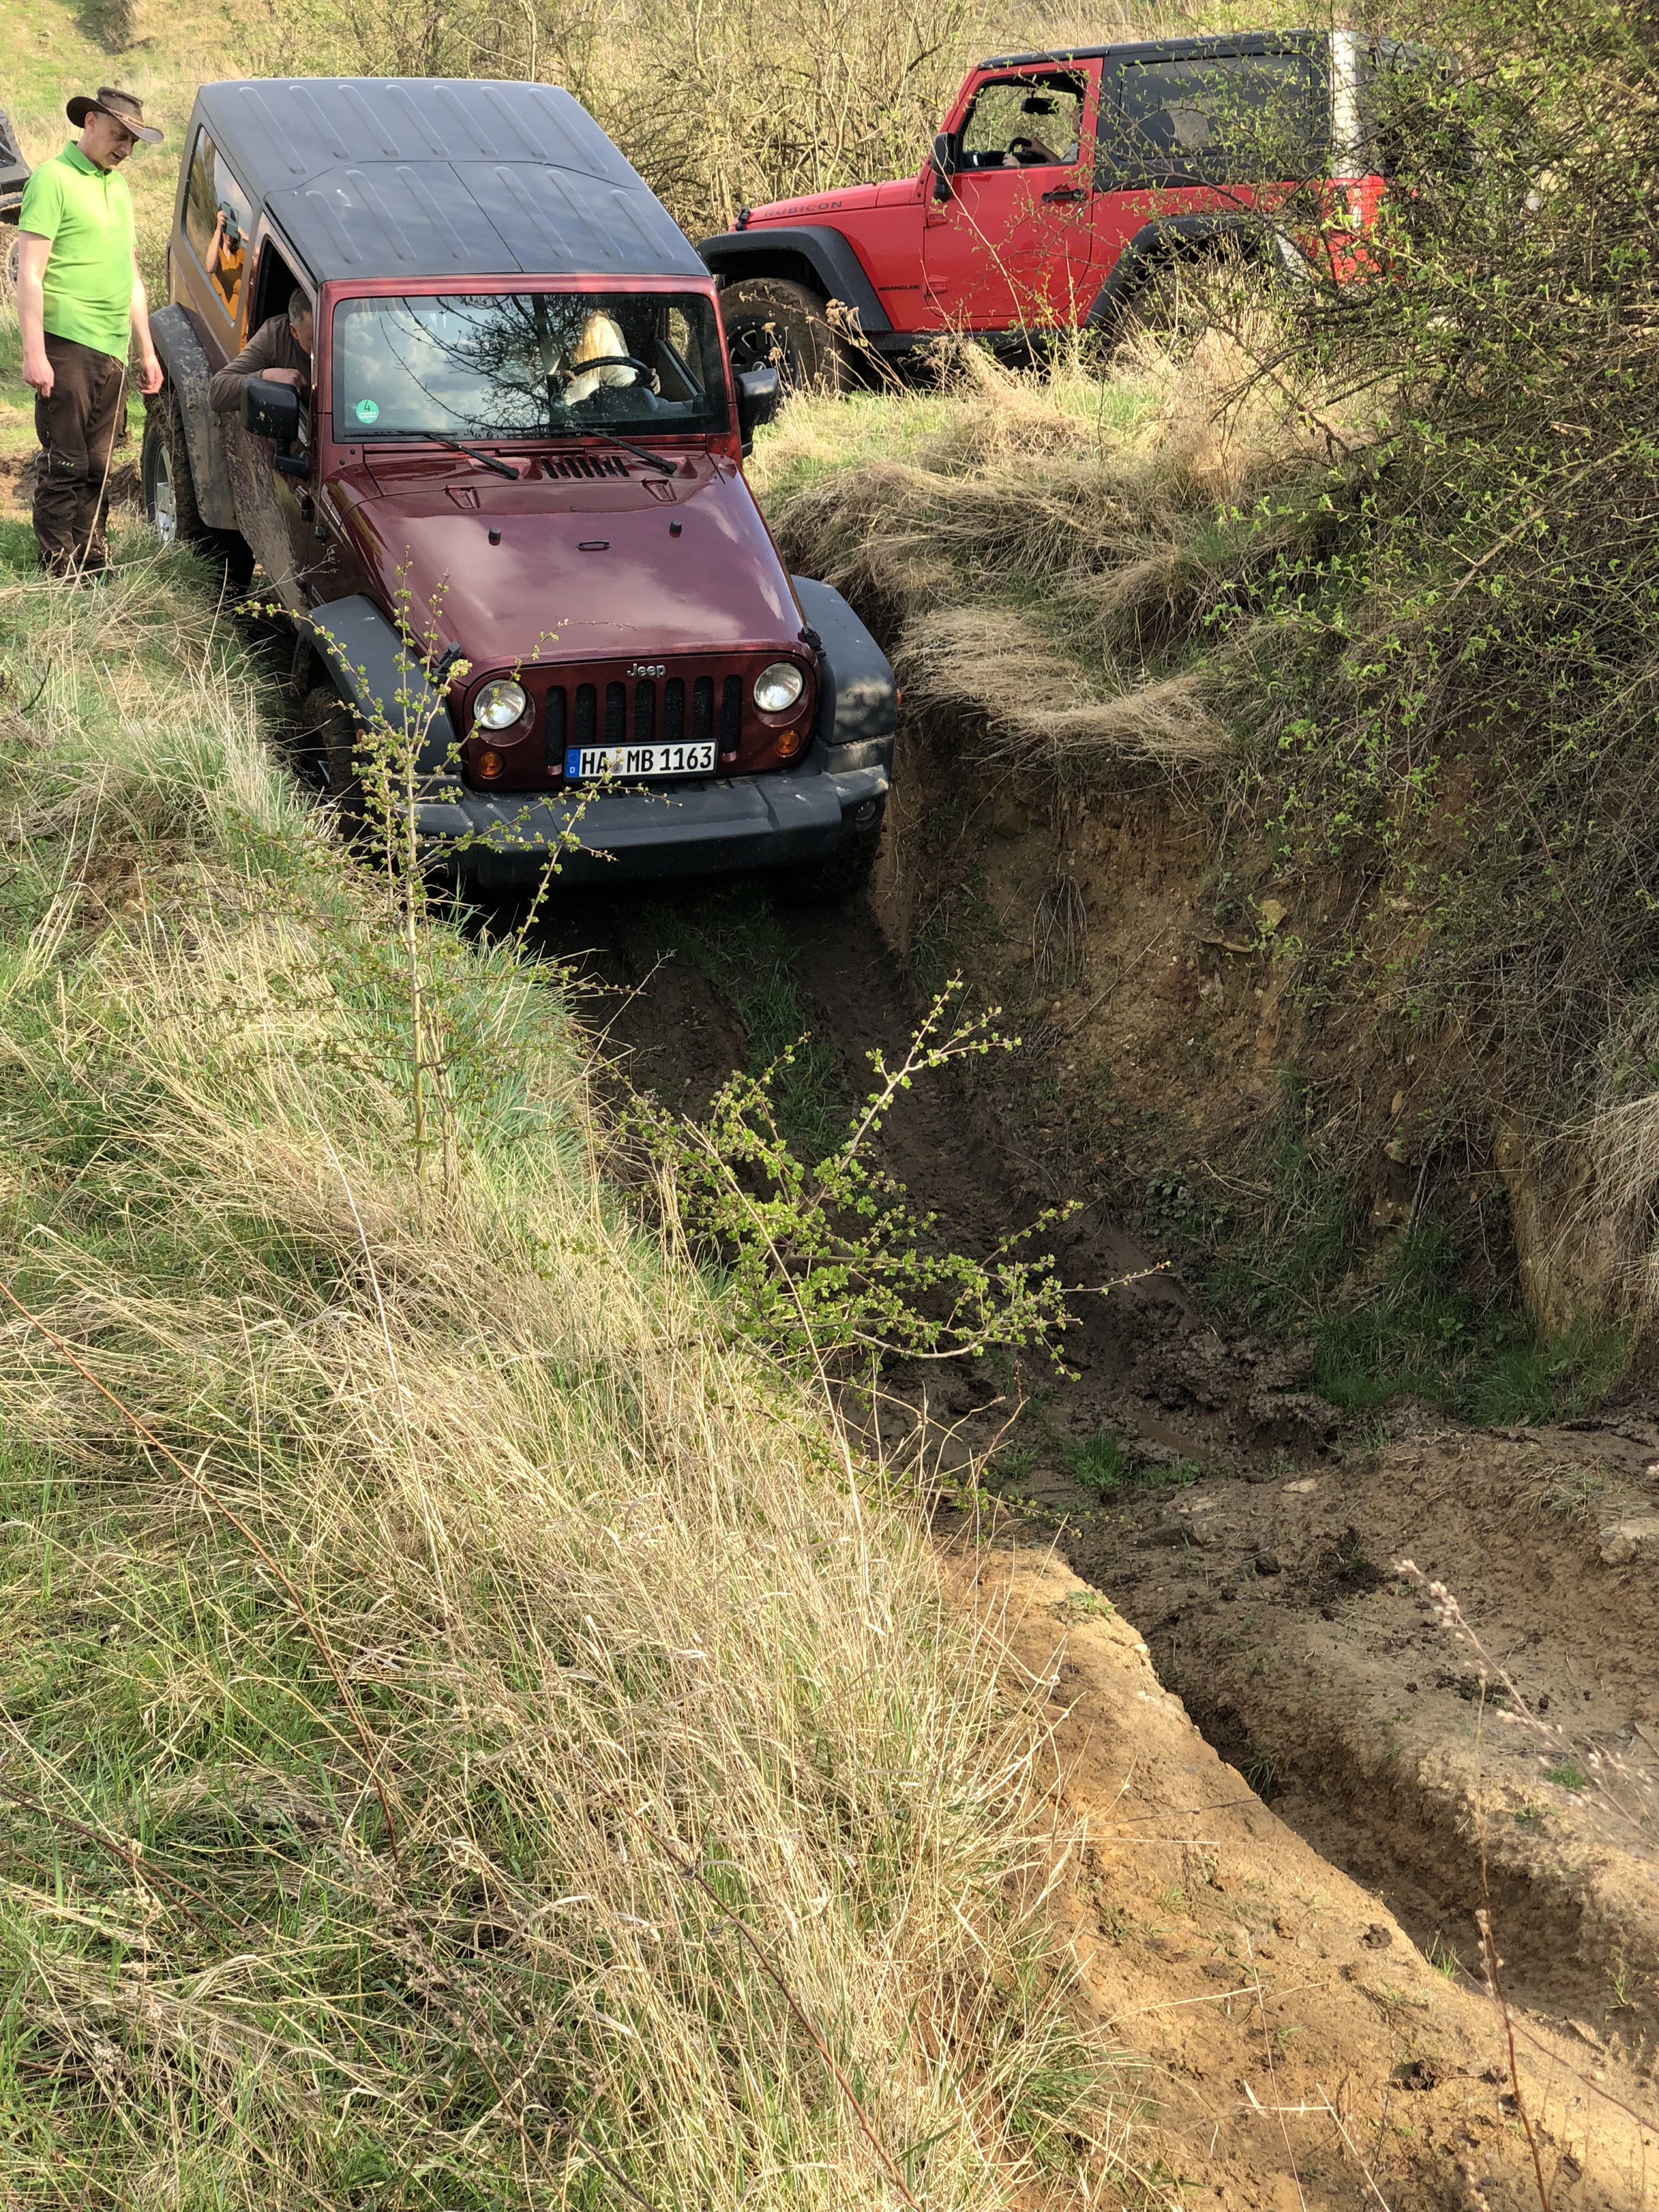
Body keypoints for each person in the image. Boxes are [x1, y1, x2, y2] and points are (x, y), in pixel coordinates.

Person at [15, 86, 164, 579]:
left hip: (111, 347)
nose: (125, 149)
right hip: (66, 343)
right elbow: (30, 274)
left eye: (133, 142)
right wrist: (34, 352)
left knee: (99, 466)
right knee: (67, 462)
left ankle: (92, 561)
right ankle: (59, 568)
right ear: (92, 123)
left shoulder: (118, 188)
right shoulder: (51, 180)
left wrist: (147, 350)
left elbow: (131, 276)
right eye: (119, 135)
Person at [208, 286, 313, 414]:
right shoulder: (274, 338)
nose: (326, 348)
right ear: (294, 331)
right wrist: (267, 377)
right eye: (314, 340)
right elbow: (217, 392)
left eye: (333, 337)